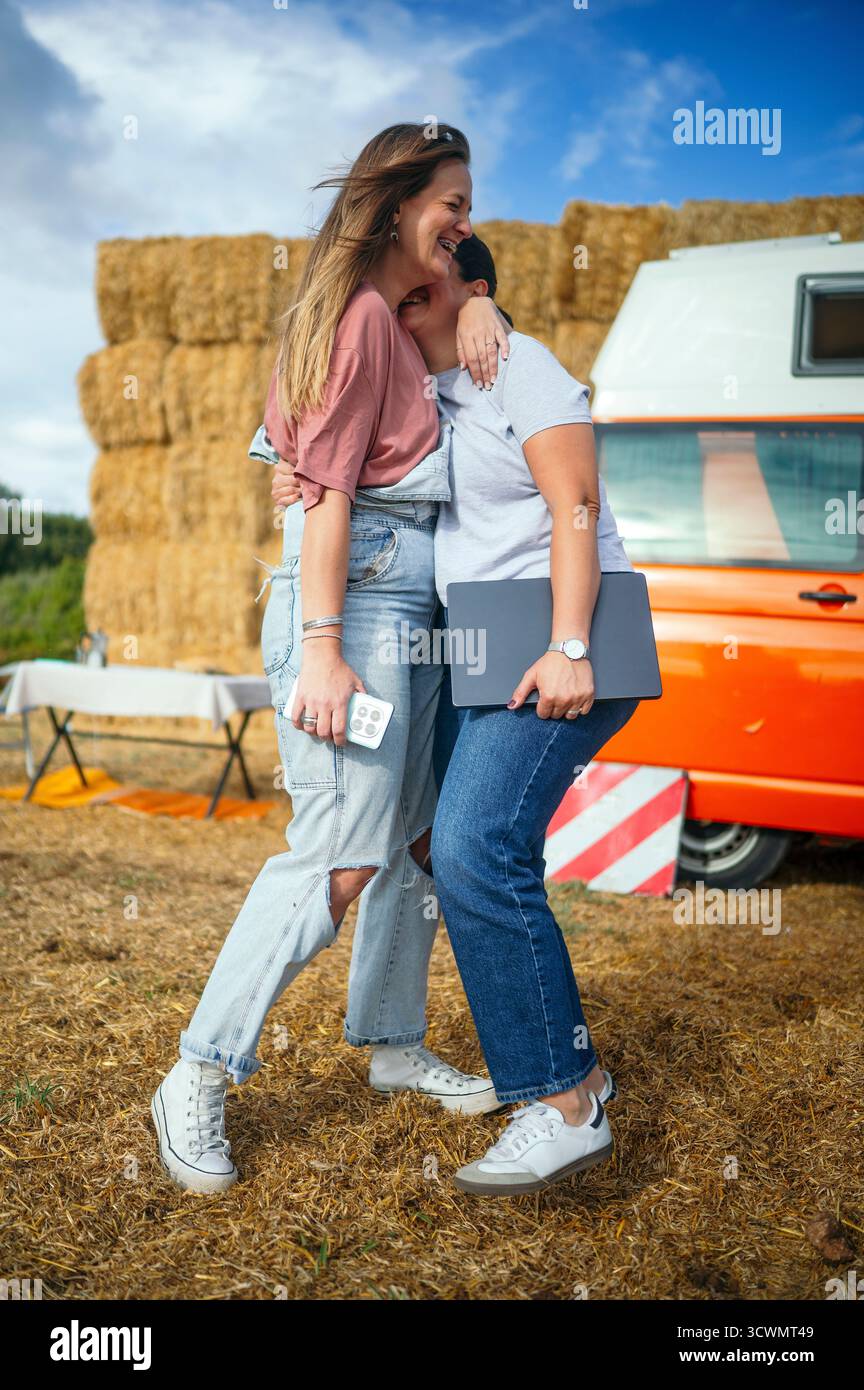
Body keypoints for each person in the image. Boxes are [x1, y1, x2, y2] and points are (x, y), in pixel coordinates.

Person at [151, 125, 510, 1194]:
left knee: (411, 841)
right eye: (453, 201)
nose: (466, 221)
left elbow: (468, 271)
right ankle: (196, 1074)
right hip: (352, 605)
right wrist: (320, 649)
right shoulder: (361, 320)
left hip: (410, 603)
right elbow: (331, 495)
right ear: (401, 205)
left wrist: (479, 288)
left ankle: (393, 1043)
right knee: (339, 858)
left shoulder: (402, 310)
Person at [273, 236, 642, 1195]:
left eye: (422, 289)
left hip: (554, 650)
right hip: (473, 654)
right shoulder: (427, 394)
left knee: (479, 847)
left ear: (469, 287)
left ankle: (563, 1102)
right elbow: (352, 464)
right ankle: (571, 1068)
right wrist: (300, 471)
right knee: (445, 845)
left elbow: (576, 505)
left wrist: (569, 646)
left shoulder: (521, 367)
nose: (397, 302)